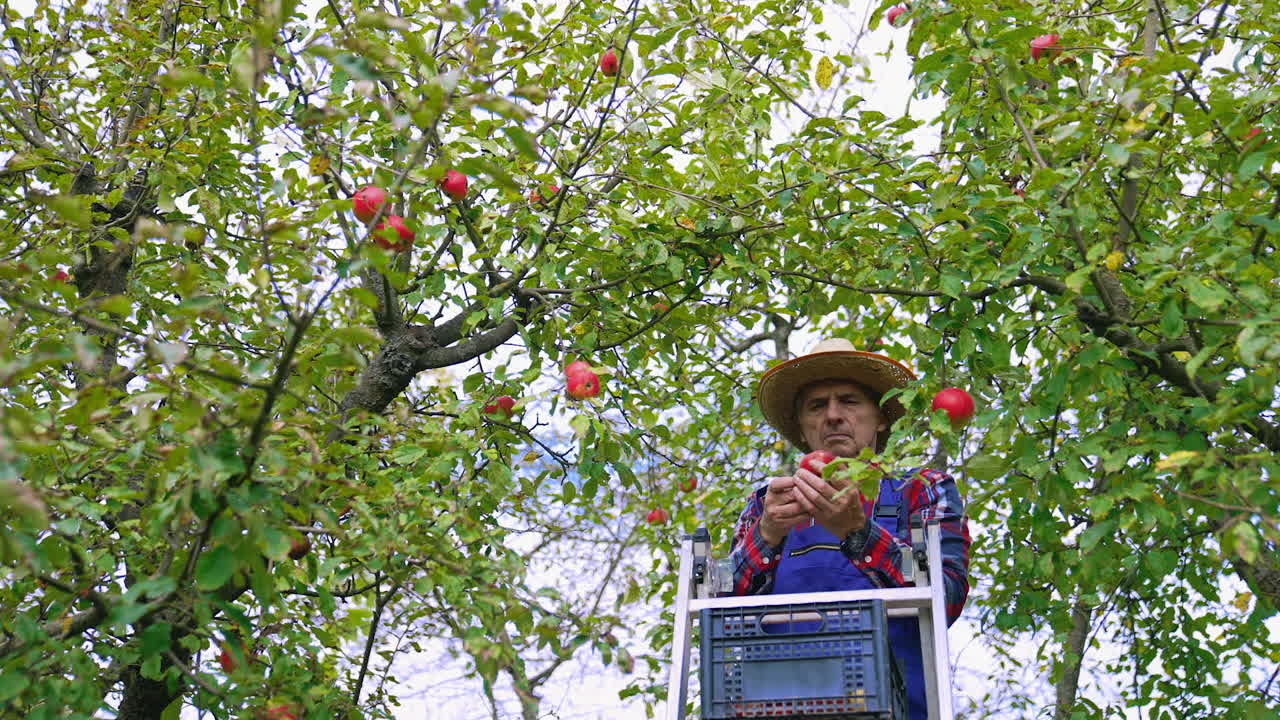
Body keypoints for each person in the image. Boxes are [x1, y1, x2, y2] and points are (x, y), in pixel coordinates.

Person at [728, 337, 971, 720]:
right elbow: (725, 615)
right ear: (803, 428)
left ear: (881, 418)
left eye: (849, 401)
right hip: (778, 706)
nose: (833, 415)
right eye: (817, 405)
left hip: (898, 708)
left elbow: (948, 597)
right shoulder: (768, 504)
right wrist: (768, 535)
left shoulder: (922, 489)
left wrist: (859, 534)